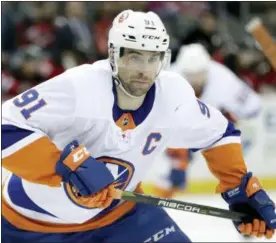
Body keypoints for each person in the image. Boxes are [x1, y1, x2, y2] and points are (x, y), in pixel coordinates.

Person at [2, 10, 275, 243]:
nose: (145, 70)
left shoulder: (173, 94)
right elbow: (6, 124)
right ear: (114, 54)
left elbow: (218, 133)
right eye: (134, 57)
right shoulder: (78, 87)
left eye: (153, 57)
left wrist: (239, 186)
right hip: (28, 226)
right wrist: (64, 168)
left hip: (121, 219)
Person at [147, 43, 262, 199]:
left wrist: (232, 116)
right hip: (182, 126)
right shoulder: (169, 77)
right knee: (170, 170)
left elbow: (254, 106)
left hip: (216, 125)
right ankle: (164, 194)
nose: (195, 80)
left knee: (235, 159)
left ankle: (239, 192)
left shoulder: (223, 79)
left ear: (208, 69)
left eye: (199, 74)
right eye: (190, 75)